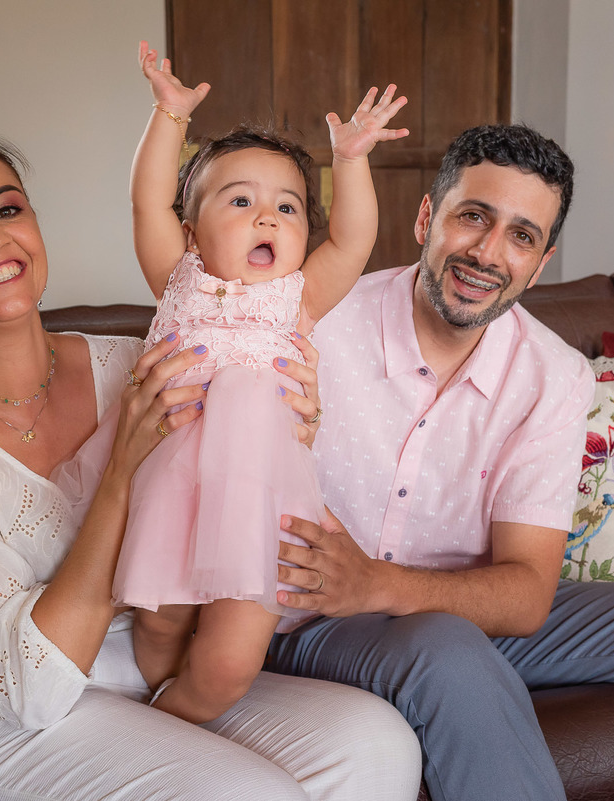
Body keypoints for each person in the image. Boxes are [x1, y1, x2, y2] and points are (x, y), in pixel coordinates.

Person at [265, 123, 614, 801]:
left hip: (456, 607)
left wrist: (379, 583)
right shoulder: (315, 321)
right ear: (426, 217)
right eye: (473, 216)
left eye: (522, 236)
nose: (487, 253)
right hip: (315, 619)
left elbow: (528, 593)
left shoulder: (554, 375)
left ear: (540, 262)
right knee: (446, 647)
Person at [0, 120, 421, 801]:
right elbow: (25, 690)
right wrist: (120, 474)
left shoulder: (142, 362)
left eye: (6, 209)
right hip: (12, 717)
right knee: (239, 793)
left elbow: (235, 476)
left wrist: (290, 430)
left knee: (378, 744)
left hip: (157, 669)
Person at [72, 41, 407, 725]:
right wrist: (169, 117)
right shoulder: (179, 277)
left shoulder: (298, 298)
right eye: (241, 200)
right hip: (172, 492)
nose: (267, 217)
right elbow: (146, 202)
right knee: (159, 627)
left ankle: (183, 721)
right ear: (192, 233)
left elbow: (354, 240)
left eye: (288, 207)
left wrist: (350, 161)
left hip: (260, 507)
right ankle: (163, 715)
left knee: (227, 664)